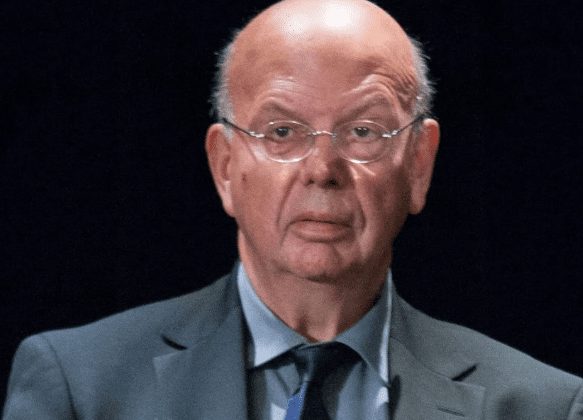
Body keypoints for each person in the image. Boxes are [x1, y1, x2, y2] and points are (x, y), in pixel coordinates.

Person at [3, 0, 582, 419]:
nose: (322, 169)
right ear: (224, 167)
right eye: (282, 131)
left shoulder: (541, 407)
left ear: (418, 165)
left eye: (363, 131)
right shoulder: (81, 389)